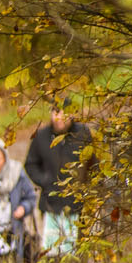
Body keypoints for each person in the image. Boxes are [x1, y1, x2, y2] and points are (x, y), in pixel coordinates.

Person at [25, 102, 93, 254]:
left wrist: (87, 188)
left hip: (77, 204)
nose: (60, 117)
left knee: (76, 252)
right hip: (50, 203)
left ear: (72, 115)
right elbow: (30, 164)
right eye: (56, 113)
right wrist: (45, 180)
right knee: (50, 251)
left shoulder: (82, 134)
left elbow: (93, 164)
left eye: (64, 113)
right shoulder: (41, 137)